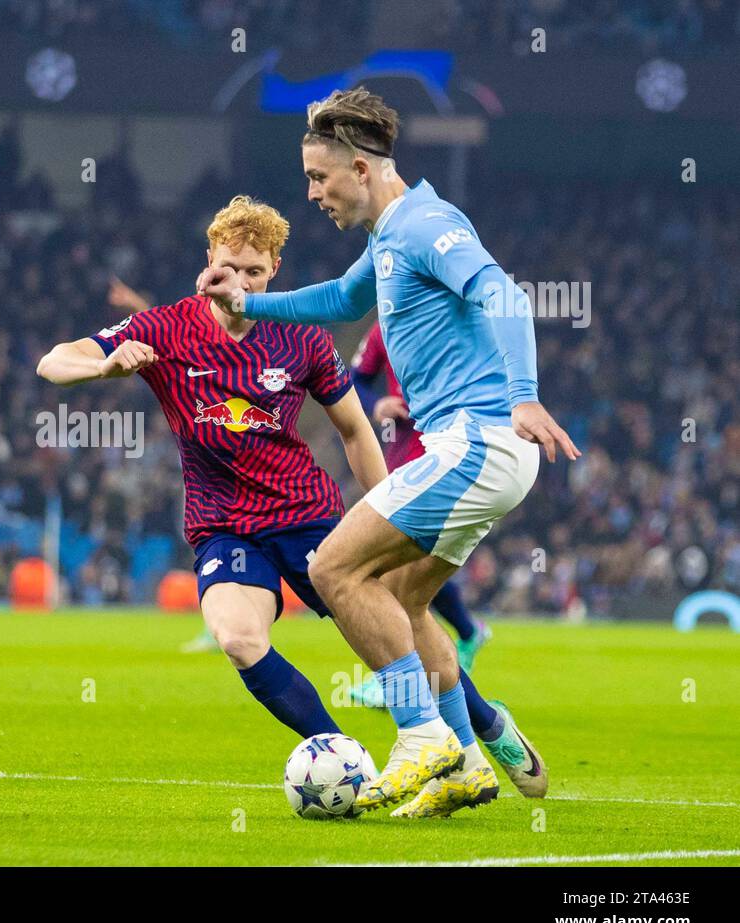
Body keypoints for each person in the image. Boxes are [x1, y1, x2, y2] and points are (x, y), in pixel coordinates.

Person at [200, 88, 574, 815]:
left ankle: (420, 738)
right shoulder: (391, 236)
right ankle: (467, 761)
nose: (311, 194)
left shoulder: (426, 223)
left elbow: (502, 294)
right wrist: (246, 304)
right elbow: (341, 301)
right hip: (482, 449)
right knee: (405, 598)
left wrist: (523, 393)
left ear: (363, 169)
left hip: (482, 439)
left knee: (333, 566)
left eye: (319, 177)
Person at [39, 196, 462, 788]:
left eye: (255, 272)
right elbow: (53, 362)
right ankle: (341, 755)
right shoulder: (165, 327)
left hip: (307, 515)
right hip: (225, 524)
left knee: (401, 623)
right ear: (208, 260)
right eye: (229, 267)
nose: (239, 282)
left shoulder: (302, 338)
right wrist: (101, 367)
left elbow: (354, 432)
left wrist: (394, 511)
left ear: (274, 273)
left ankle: (481, 727)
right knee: (237, 637)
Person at [348, 320, 492, 707]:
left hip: (445, 453)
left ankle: (398, 677)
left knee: (396, 566)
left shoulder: (452, 323)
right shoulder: (382, 330)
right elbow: (355, 379)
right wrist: (378, 404)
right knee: (408, 567)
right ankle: (464, 633)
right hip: (401, 454)